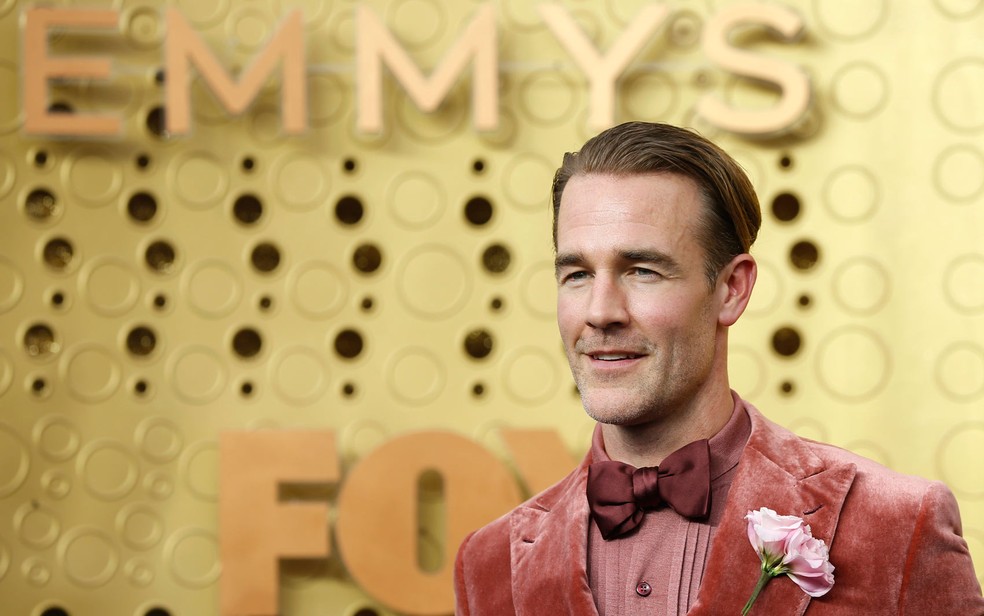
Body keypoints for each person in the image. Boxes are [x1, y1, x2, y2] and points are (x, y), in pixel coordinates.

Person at [453, 121, 984, 615]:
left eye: (642, 270)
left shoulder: (897, 525)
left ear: (732, 289)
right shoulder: (488, 562)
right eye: (576, 274)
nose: (600, 312)